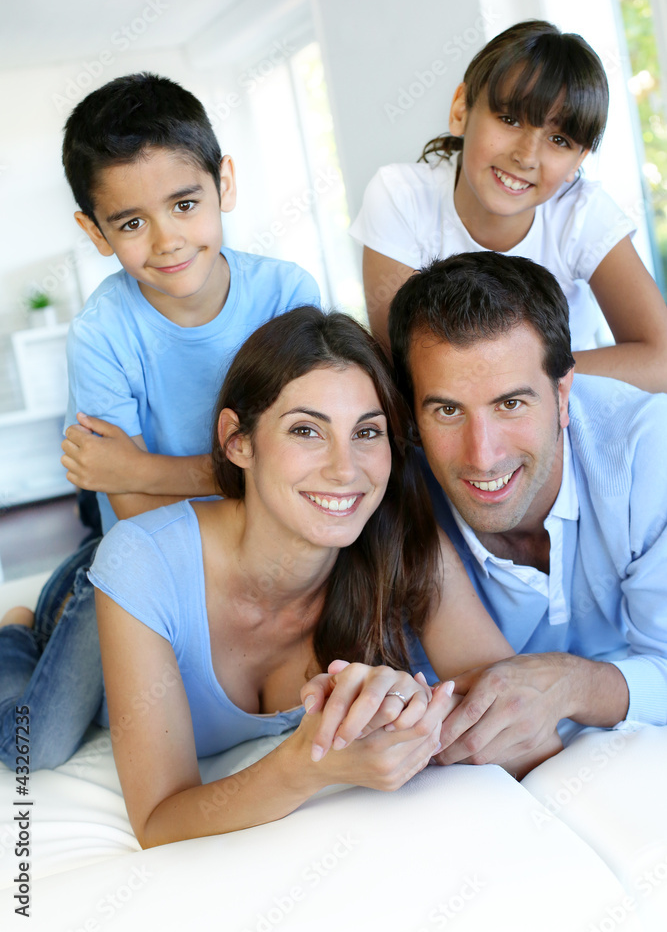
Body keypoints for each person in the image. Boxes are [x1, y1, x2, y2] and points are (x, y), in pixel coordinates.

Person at [89, 306, 558, 847]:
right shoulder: (141, 565)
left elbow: (513, 717)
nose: (344, 468)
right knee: (32, 730)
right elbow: (158, 825)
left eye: (367, 432)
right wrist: (311, 765)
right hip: (92, 601)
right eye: (307, 430)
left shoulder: (403, 542)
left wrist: (411, 714)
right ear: (238, 440)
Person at [0, 73, 319, 771]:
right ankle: (22, 627)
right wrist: (241, 473)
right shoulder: (102, 334)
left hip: (251, 557)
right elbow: (135, 512)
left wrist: (141, 465)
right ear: (95, 232)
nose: (168, 240)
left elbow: (305, 461)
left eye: (184, 203)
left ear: (223, 184)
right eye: (131, 223)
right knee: (35, 746)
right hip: (144, 561)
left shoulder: (288, 294)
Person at [384, 251, 667, 770]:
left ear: (562, 395)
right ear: (412, 416)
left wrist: (572, 683)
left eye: (510, 404)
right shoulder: (387, 492)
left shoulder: (650, 453)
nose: (483, 454)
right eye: (447, 410)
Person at [350, 20, 667, 393]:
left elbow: (659, 360)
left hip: (565, 416)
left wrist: (527, 374)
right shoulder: (400, 196)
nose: (526, 156)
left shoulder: (582, 214)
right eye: (509, 119)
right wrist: (517, 377)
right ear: (460, 110)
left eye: (558, 139)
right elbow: (403, 368)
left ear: (578, 161)